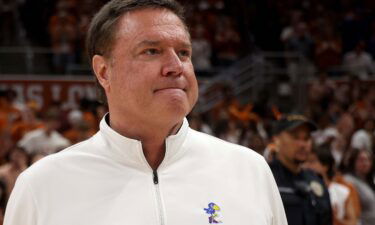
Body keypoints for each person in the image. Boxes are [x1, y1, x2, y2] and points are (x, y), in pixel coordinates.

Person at [4, 0, 287, 224]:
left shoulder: (250, 171)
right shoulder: (42, 186)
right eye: (152, 51)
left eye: (184, 53)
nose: (176, 66)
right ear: (104, 71)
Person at [269, 114, 333, 225]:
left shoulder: (315, 180)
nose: (303, 144)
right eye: (296, 137)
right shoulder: (267, 178)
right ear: (277, 140)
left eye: (307, 138)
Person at [305, 144, 358, 225]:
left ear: (325, 166)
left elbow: (353, 222)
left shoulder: (343, 191)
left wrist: (335, 219)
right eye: (306, 161)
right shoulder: (302, 188)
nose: (307, 165)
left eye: (312, 161)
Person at [343, 149, 375, 225]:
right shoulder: (348, 180)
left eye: (368, 160)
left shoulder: (369, 181)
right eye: (361, 160)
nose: (365, 163)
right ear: (353, 162)